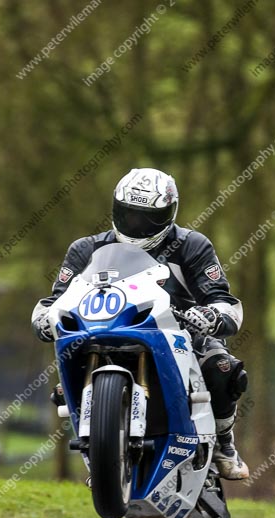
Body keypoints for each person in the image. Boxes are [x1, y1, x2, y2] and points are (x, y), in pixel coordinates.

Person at [32, 168, 249, 480]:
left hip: (180, 331)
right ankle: (104, 449)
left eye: (147, 218)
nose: (136, 224)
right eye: (129, 214)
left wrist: (213, 315)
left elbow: (220, 297)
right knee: (64, 382)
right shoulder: (85, 249)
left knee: (222, 368)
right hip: (103, 329)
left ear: (168, 214)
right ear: (116, 210)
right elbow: (56, 299)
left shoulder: (191, 245)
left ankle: (224, 444)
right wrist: (44, 318)